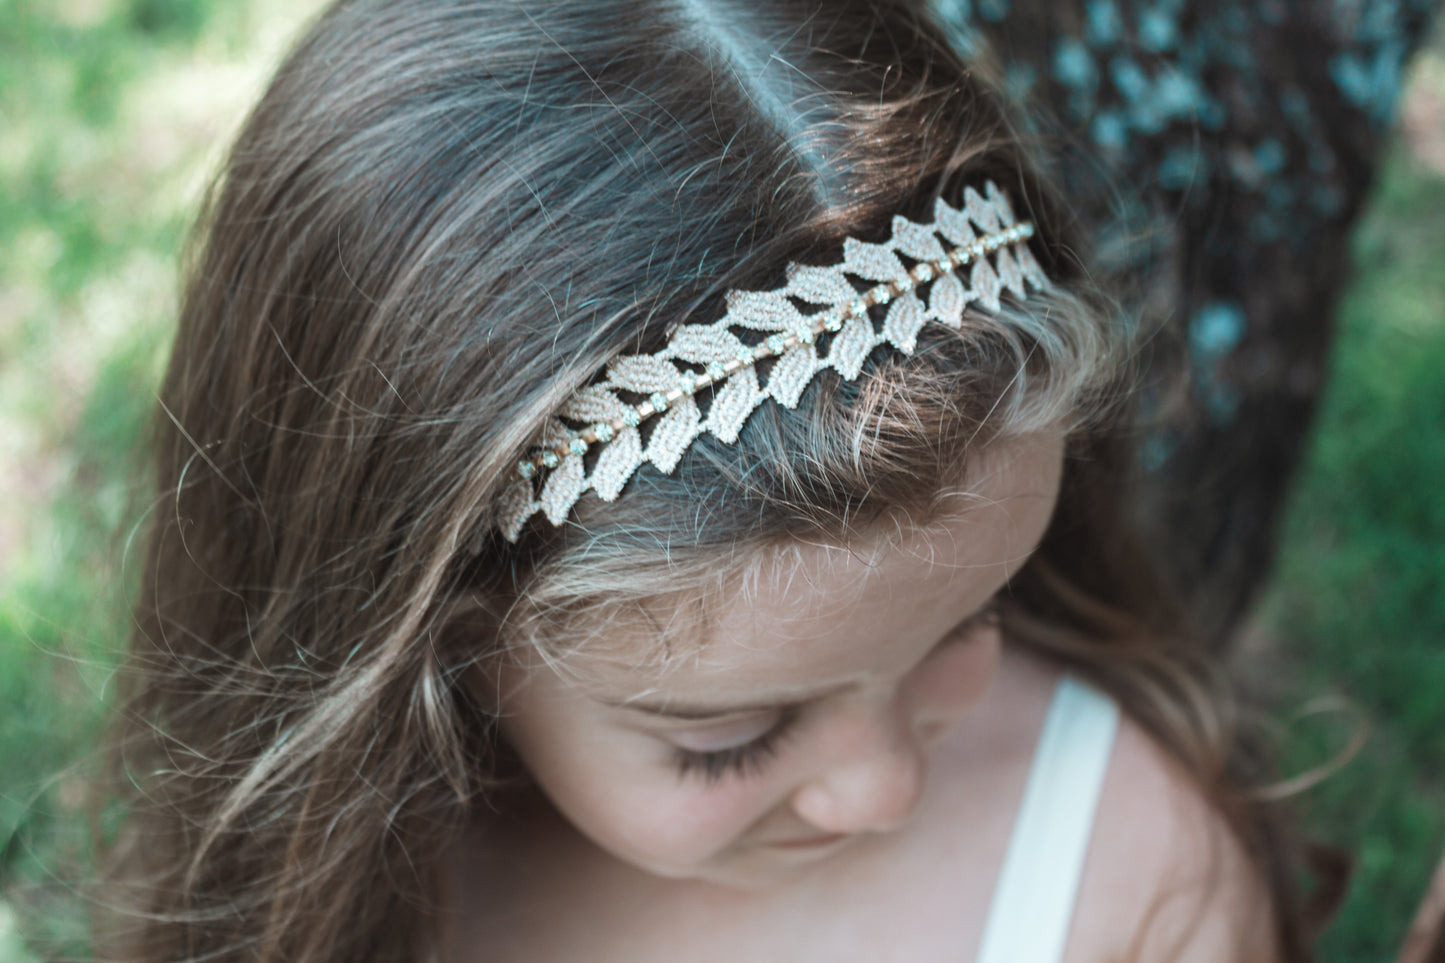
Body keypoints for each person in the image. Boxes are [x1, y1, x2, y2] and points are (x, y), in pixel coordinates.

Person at [99, 0, 1336, 960]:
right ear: (430, 647)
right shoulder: (341, 891)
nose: (882, 788)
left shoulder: (1122, 875)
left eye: (972, 616)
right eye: (727, 738)